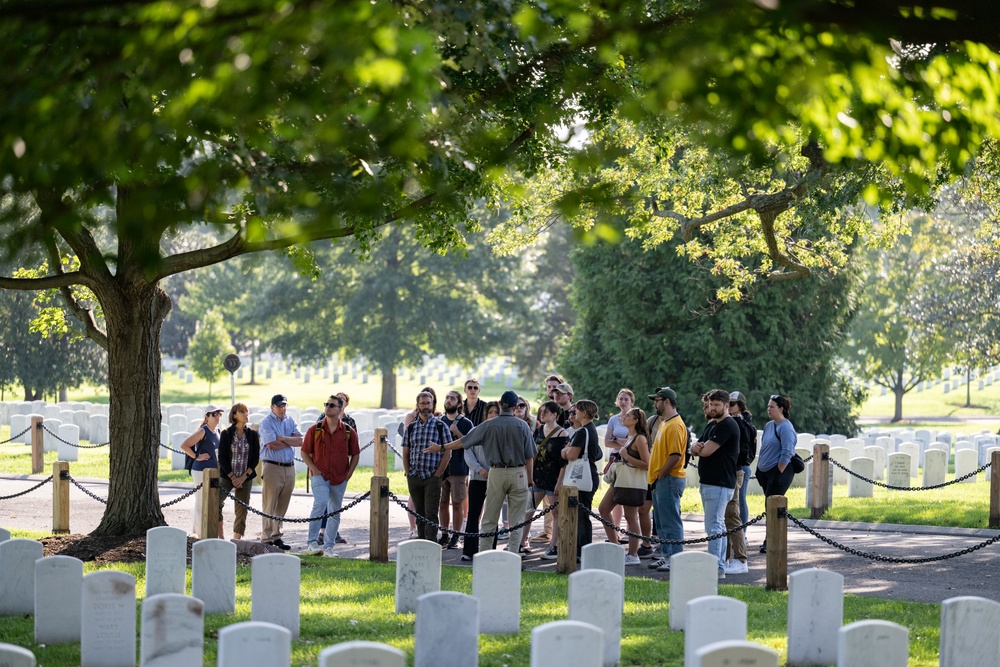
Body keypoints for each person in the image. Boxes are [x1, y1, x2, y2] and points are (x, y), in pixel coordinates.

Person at [429, 390, 535, 556]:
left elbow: (463, 442)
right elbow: (529, 456)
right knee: (517, 519)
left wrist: (442, 447)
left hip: (497, 472)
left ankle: (485, 554)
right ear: (514, 406)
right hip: (518, 472)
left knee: (489, 517)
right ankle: (514, 554)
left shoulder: (488, 425)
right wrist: (530, 479)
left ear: (500, 404)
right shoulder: (523, 426)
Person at [301, 394, 360, 557]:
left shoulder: (349, 431)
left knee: (335, 511)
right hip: (320, 475)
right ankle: (312, 543)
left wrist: (349, 473)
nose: (328, 407)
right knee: (320, 504)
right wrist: (314, 469)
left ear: (340, 409)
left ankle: (329, 547)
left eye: (332, 405)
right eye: (326, 404)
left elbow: (355, 453)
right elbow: (305, 452)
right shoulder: (315, 429)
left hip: (340, 477)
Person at [690, 389, 740, 578]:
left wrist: (698, 449)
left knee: (714, 526)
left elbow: (706, 450)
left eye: (717, 405)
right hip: (709, 481)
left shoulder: (727, 425)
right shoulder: (712, 425)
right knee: (716, 526)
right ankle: (718, 566)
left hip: (720, 482)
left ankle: (715, 567)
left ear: (727, 406)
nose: (712, 408)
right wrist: (695, 448)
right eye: (710, 404)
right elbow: (697, 447)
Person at [646, 387, 687, 572]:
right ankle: (666, 555)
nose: (655, 403)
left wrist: (662, 473)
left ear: (667, 401)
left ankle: (675, 558)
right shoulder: (664, 423)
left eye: (657, 400)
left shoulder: (675, 425)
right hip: (660, 480)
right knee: (662, 522)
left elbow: (676, 455)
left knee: (671, 521)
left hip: (668, 479)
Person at [402, 391, 452, 542]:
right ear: (417, 406)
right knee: (419, 513)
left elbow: (448, 452)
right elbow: (406, 452)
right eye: (422, 403)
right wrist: (408, 471)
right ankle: (421, 541)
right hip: (415, 476)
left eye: (428, 403)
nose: (425, 406)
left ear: (432, 405)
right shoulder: (411, 428)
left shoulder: (440, 426)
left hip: (432, 476)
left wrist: (438, 474)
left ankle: (430, 543)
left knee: (431, 513)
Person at [522, 401, 568, 559]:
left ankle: (554, 545)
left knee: (556, 513)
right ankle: (522, 542)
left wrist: (559, 482)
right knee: (529, 510)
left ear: (555, 415)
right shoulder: (539, 429)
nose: (542, 414)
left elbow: (563, 463)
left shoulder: (562, 434)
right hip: (537, 477)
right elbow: (533, 452)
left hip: (553, 478)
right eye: (541, 411)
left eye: (546, 412)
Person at [258, 393, 303, 551]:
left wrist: (282, 438)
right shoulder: (266, 422)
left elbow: (300, 441)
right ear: (272, 407)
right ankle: (267, 537)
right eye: (279, 406)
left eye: (284, 406)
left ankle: (277, 536)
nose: (282, 409)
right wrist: (289, 440)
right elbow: (271, 445)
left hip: (289, 467)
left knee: (283, 504)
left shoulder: (290, 420)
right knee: (270, 503)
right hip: (272, 466)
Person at [755, 393, 797, 553]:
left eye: (772, 407)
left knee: (773, 508)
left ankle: (772, 541)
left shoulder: (786, 427)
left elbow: (787, 451)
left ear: (781, 409)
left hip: (777, 474)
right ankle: (771, 538)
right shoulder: (769, 425)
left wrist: (777, 471)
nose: (768, 409)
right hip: (765, 473)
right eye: (768, 407)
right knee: (769, 506)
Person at [609, 407, 650, 565]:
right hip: (621, 479)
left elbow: (647, 464)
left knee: (631, 517)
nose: (623, 417)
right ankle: (615, 546)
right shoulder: (628, 436)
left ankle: (633, 554)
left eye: (627, 416)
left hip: (631, 482)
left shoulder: (640, 439)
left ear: (635, 421)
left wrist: (626, 456)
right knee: (604, 509)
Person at [563, 399, 602, 559]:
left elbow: (571, 455)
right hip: (588, 475)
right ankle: (580, 549)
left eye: (577, 410)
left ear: (584, 413)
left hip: (583, 477)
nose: (574, 413)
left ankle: (583, 551)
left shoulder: (582, 432)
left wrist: (564, 451)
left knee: (581, 516)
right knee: (580, 514)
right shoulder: (589, 429)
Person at [318, 391, 357, 546]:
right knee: (322, 501)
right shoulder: (323, 418)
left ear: (345, 404)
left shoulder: (350, 422)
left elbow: (354, 444)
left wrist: (348, 472)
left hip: (340, 466)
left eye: (342, 400)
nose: (333, 405)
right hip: (324, 467)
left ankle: (332, 532)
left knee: (335, 502)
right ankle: (321, 532)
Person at [217, 402, 260, 541]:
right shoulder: (226, 433)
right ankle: (221, 537)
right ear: (235, 415)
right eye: (242, 412)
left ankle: (236, 540)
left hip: (245, 478)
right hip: (228, 476)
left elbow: (255, 459)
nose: (246, 414)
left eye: (247, 411)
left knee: (242, 509)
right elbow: (222, 458)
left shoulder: (253, 435)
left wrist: (242, 477)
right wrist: (233, 477)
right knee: (216, 503)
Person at [725, 390, 756, 573]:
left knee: (737, 505)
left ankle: (741, 535)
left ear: (741, 406)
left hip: (740, 467)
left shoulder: (742, 423)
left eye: (733, 403)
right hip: (738, 466)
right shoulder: (737, 421)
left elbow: (744, 447)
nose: (730, 406)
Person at [438, 390, 474, 549]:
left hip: (459, 468)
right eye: (447, 398)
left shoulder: (466, 423)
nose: (448, 401)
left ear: (459, 403)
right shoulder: (439, 421)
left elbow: (470, 444)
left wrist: (457, 432)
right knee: (442, 502)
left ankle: (456, 536)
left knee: (457, 503)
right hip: (441, 469)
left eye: (452, 398)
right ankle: (444, 534)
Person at [599, 388, 635, 545]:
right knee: (615, 495)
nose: (623, 401)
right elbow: (607, 442)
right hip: (615, 458)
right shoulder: (613, 419)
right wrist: (623, 441)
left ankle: (629, 532)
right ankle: (616, 530)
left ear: (631, 401)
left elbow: (635, 440)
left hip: (630, 459)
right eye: (620, 398)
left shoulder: (635, 417)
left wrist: (619, 440)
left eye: (626, 399)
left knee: (627, 497)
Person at [181, 404, 223, 539]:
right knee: (200, 501)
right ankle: (198, 533)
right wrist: (197, 456)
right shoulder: (203, 431)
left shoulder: (218, 431)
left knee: (210, 502)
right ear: (207, 417)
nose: (217, 416)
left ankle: (208, 530)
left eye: (219, 414)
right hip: (200, 471)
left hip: (213, 472)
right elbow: (185, 445)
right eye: (214, 414)